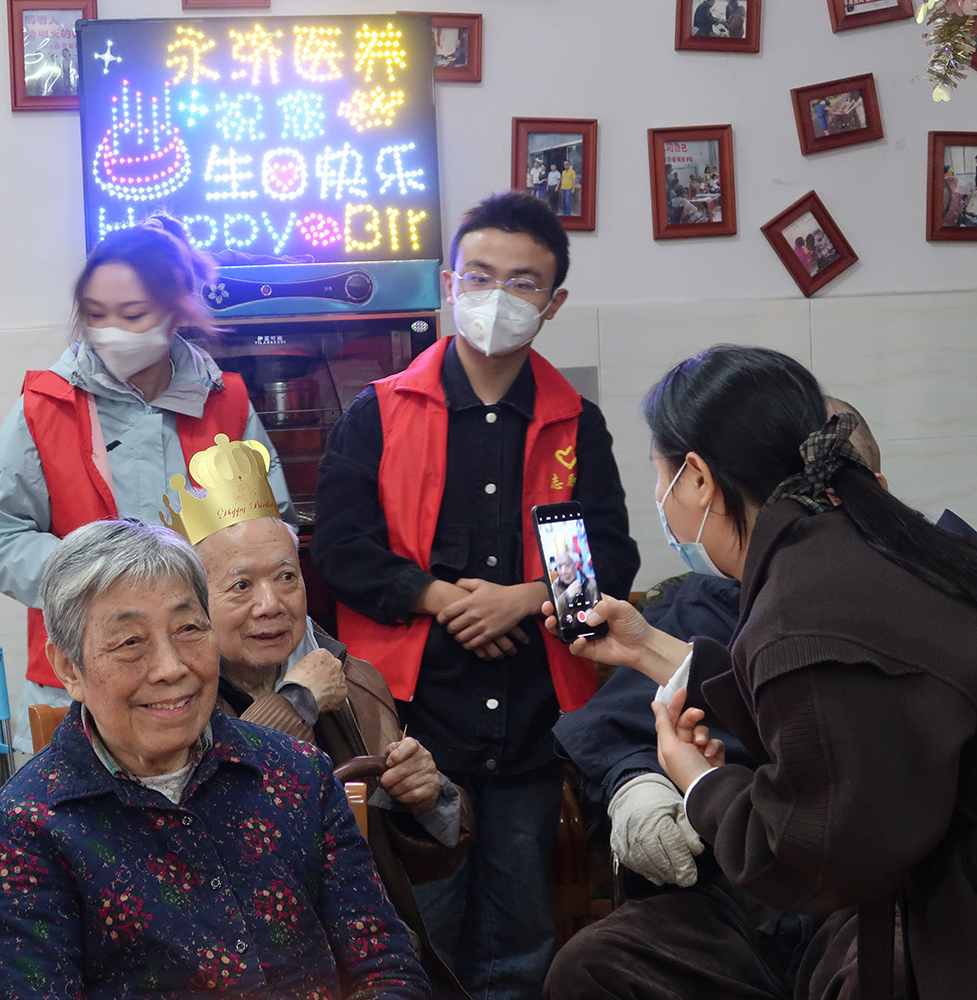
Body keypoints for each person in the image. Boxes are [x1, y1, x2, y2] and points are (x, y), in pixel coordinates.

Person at [547, 344, 977, 998]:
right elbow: (829, 705)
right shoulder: (854, 555)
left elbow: (821, 859)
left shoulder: (804, 600)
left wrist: (700, 785)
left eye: (658, 475)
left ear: (699, 478)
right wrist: (650, 648)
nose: (660, 498)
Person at [314, 189, 641, 1000]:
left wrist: (526, 598)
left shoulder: (576, 423)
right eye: (481, 275)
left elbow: (612, 555)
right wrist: (441, 601)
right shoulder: (380, 412)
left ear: (554, 302)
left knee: (522, 941)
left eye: (524, 283)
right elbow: (343, 552)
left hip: (534, 722)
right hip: (412, 725)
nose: (499, 297)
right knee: (416, 934)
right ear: (447, 281)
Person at [0, 519, 430, 1000]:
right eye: (130, 642)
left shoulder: (299, 774)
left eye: (189, 628)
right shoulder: (27, 829)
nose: (172, 668)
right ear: (69, 668)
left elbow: (387, 967)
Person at [0, 214, 293, 749]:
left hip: (210, 678)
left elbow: (268, 533)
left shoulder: (224, 402)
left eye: (133, 313)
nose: (112, 331)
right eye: (96, 315)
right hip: (82, 685)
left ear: (176, 309)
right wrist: (96, 583)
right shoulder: (46, 408)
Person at [174, 436, 475, 995]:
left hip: (364, 959)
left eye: (287, 577)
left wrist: (426, 798)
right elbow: (195, 803)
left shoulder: (353, 678)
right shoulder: (172, 699)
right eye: (241, 585)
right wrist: (296, 702)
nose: (272, 604)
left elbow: (418, 861)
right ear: (194, 601)